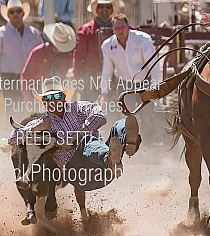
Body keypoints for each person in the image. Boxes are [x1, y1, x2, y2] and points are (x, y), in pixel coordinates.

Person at [8, 76, 141, 191]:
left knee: (120, 124)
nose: (53, 100)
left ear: (64, 97)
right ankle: (109, 158)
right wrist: (35, 129)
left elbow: (100, 115)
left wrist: (77, 135)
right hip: (79, 174)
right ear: (44, 102)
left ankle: (129, 145)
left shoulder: (77, 108)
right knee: (86, 141)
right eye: (48, 97)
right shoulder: (42, 123)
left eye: (57, 96)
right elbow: (12, 140)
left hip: (104, 169)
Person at [0, 0, 43, 114]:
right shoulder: (0, 34)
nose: (15, 14)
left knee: (34, 113)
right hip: (10, 79)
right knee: (13, 113)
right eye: (12, 12)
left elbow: (42, 55)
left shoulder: (34, 33)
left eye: (18, 11)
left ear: (23, 13)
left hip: (32, 79)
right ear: (8, 14)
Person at [100, 13, 159, 103]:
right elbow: (107, 70)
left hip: (144, 83)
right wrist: (104, 92)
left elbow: (153, 65)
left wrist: (154, 87)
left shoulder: (143, 39)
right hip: (124, 85)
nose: (120, 31)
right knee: (126, 115)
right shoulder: (107, 45)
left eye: (122, 27)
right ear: (113, 29)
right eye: (117, 28)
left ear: (128, 27)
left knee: (147, 115)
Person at [73, 0, 116, 102]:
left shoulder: (118, 27)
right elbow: (78, 56)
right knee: (87, 108)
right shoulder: (86, 30)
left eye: (107, 7)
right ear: (96, 10)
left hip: (113, 76)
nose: (104, 10)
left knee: (113, 109)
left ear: (112, 10)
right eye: (101, 7)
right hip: (91, 75)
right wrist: (77, 78)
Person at [21, 22, 76, 89]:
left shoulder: (69, 56)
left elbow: (74, 76)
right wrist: (27, 97)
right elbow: (27, 76)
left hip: (61, 91)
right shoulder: (39, 53)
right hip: (39, 91)